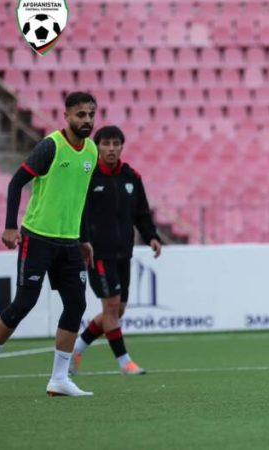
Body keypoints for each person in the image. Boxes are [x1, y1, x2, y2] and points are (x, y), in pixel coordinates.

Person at [0, 92, 98, 397]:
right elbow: (16, 182)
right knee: (24, 304)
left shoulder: (91, 152)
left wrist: (84, 238)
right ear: (67, 116)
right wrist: (10, 225)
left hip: (70, 243)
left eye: (91, 115)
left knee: (76, 304)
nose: (87, 121)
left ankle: (59, 378)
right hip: (38, 238)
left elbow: (80, 199)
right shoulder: (51, 146)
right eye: (81, 115)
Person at [70, 126, 162, 376]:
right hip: (97, 254)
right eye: (106, 143)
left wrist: (151, 236)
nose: (111, 148)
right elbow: (78, 213)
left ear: (122, 146)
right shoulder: (88, 177)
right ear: (97, 147)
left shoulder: (132, 176)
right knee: (111, 308)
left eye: (115, 143)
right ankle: (125, 363)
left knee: (117, 311)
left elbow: (142, 212)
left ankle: (75, 349)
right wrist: (82, 242)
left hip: (124, 253)